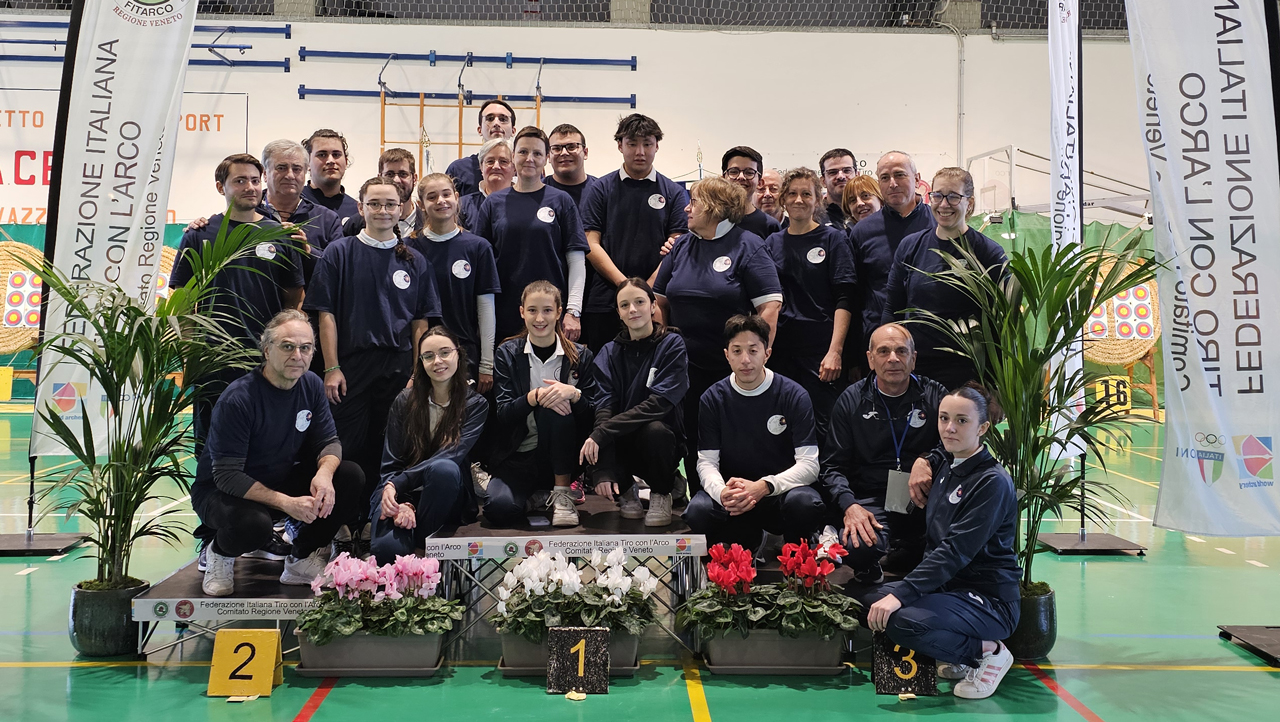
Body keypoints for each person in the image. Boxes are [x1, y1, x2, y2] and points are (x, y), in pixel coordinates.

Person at [192, 310, 364, 596]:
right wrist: (287, 503)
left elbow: (329, 441)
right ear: (267, 348)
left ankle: (300, 559)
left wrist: (324, 474)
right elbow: (227, 476)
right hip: (222, 493)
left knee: (348, 476)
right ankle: (218, 553)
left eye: (305, 347)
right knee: (252, 526)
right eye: (287, 346)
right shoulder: (239, 399)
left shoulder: (309, 384)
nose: (297, 355)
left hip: (277, 478)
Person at [864, 384, 1019, 701]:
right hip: (950, 592)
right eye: (944, 418)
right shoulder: (947, 465)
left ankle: (988, 651)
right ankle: (960, 653)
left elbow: (954, 551)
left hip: (989, 600)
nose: (950, 428)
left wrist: (904, 593)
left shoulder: (992, 482)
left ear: (983, 427)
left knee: (900, 621)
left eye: (962, 421)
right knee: (869, 600)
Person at [304, 176, 443, 525]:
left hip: (398, 368)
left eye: (390, 204)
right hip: (350, 368)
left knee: (391, 448)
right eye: (375, 204)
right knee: (346, 449)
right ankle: (335, 528)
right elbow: (326, 314)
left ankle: (376, 522)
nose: (383, 210)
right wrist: (331, 368)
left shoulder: (414, 260)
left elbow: (419, 324)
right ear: (361, 207)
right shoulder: (340, 252)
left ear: (401, 209)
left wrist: (417, 373)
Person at [653, 176, 782, 493]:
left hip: (732, 370)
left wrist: (753, 360)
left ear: (715, 207)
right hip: (685, 368)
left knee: (733, 441)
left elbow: (770, 308)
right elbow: (659, 301)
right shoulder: (682, 245)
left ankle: (742, 505)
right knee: (693, 440)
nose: (687, 208)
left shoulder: (748, 246)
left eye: (693, 201)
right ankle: (699, 501)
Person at [170, 153, 304, 451]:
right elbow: (181, 303)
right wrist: (190, 355)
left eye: (255, 181)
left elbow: (293, 297)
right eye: (240, 180)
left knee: (263, 444)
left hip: (265, 359)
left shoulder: (280, 235)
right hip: (213, 362)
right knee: (211, 447)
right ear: (221, 187)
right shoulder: (199, 234)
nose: (250, 187)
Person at [684, 315, 824, 550]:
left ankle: (794, 546)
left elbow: (810, 465)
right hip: (734, 495)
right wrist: (722, 494)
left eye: (753, 350)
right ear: (727, 355)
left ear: (767, 353)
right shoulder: (712, 398)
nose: (745, 360)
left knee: (805, 504)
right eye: (737, 351)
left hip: (778, 493)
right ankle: (743, 541)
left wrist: (764, 486)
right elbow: (706, 462)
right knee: (698, 512)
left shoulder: (794, 395)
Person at [819, 323, 946, 583]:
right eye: (884, 351)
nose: (893, 358)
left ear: (913, 359)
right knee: (858, 548)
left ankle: (913, 551)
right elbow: (832, 467)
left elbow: (959, 445)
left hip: (923, 496)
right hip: (871, 498)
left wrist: (928, 459)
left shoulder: (935, 395)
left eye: (901, 351)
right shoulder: (851, 400)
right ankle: (872, 564)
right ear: (870, 359)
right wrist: (850, 506)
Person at [487, 281, 602, 528]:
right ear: (521, 312)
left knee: (557, 405)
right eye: (532, 310)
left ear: (560, 312)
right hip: (520, 454)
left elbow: (594, 414)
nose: (540, 318)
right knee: (499, 509)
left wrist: (574, 394)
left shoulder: (581, 356)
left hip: (564, 454)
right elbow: (504, 413)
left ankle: (561, 493)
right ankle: (540, 496)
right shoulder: (506, 353)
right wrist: (534, 396)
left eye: (548, 310)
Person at [881, 168, 1008, 390]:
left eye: (953, 196)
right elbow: (893, 307)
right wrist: (887, 355)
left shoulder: (988, 253)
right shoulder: (910, 246)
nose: (944, 204)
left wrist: (993, 385)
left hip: (967, 372)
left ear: (969, 203)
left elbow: (1003, 324)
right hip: (915, 367)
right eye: (938, 195)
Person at [371, 327, 489, 564]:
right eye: (428, 356)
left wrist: (400, 482)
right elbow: (390, 461)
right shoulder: (405, 400)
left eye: (445, 352)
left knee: (444, 469)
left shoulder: (475, 404)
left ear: (459, 354)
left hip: (445, 493)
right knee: (387, 551)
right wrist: (402, 501)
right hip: (400, 492)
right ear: (421, 362)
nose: (438, 361)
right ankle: (409, 532)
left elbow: (451, 455)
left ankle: (420, 546)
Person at [580, 278, 689, 527]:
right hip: (623, 442)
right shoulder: (608, 352)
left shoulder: (672, 344)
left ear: (653, 306)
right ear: (618, 312)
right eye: (625, 304)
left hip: (661, 442)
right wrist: (604, 467)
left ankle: (663, 491)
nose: (633, 309)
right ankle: (626, 489)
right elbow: (604, 407)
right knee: (589, 419)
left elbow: (659, 404)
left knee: (655, 429)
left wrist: (603, 432)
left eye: (639, 302)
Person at [580, 113, 689, 351]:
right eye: (632, 144)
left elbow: (677, 243)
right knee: (604, 371)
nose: (640, 151)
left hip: (655, 299)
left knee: (651, 369)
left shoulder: (674, 192)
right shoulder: (600, 189)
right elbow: (591, 243)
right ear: (620, 146)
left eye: (647, 144)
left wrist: (647, 289)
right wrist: (624, 286)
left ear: (657, 146)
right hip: (605, 300)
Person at [764, 167, 856, 446]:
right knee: (782, 425)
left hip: (821, 354)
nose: (799, 200)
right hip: (782, 352)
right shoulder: (772, 243)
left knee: (825, 428)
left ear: (818, 200)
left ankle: (828, 488)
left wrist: (835, 352)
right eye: (792, 193)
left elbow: (845, 297)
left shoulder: (833, 240)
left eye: (807, 194)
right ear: (783, 199)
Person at [475, 126, 588, 343]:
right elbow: (483, 266)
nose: (529, 159)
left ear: (546, 158)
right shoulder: (493, 204)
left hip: (550, 314)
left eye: (537, 153)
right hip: (505, 312)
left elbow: (576, 260)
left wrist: (573, 311)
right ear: (513, 156)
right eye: (523, 152)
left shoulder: (561, 201)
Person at [409, 173, 501, 391]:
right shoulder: (409, 248)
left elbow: (486, 309)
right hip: (422, 355)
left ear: (457, 197)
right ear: (421, 204)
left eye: (446, 194)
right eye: (432, 197)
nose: (441, 201)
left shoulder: (478, 247)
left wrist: (487, 363)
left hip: (464, 353)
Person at [849, 151, 934, 351]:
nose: (892, 183)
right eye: (885, 178)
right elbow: (854, 296)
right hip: (880, 342)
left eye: (900, 175)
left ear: (917, 178)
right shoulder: (862, 232)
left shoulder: (938, 224)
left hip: (933, 342)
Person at [342, 148, 424, 238]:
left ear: (414, 179)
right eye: (389, 174)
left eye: (403, 174)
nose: (396, 180)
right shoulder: (356, 224)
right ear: (379, 177)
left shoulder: (429, 223)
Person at [446, 99, 517, 197]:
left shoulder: (525, 170)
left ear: (513, 130)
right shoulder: (458, 169)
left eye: (503, 119)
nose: (496, 123)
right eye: (490, 118)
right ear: (480, 130)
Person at [722, 146, 782, 241]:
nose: (741, 177)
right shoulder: (711, 220)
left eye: (749, 172)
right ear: (723, 179)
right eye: (734, 172)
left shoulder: (770, 226)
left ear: (759, 182)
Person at [301, 129, 360, 225]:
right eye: (322, 155)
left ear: (345, 161)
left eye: (336, 154)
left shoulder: (357, 211)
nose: (330, 160)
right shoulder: (293, 203)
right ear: (307, 163)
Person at [458, 137, 515, 231]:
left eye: (503, 161)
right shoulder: (461, 205)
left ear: (514, 168)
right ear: (481, 167)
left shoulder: (523, 204)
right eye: (490, 161)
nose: (496, 166)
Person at [545, 123, 597, 207]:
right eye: (556, 148)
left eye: (572, 147)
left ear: (585, 153)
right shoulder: (538, 192)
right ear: (548, 156)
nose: (564, 153)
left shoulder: (600, 191)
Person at [818, 148, 858, 231]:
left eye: (847, 170)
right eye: (833, 172)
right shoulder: (814, 216)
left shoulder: (869, 211)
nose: (841, 176)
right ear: (823, 181)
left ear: (857, 176)